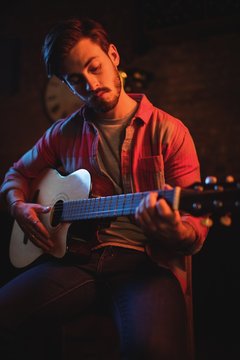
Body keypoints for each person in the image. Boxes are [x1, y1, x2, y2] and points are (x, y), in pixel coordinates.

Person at [0, 17, 208, 360]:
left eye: (95, 67)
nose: (91, 84)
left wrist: (176, 231)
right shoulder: (62, 133)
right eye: (76, 80)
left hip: (146, 266)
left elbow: (195, 232)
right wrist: (18, 207)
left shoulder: (171, 132)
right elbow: (16, 174)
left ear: (113, 55)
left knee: (152, 350)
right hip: (77, 261)